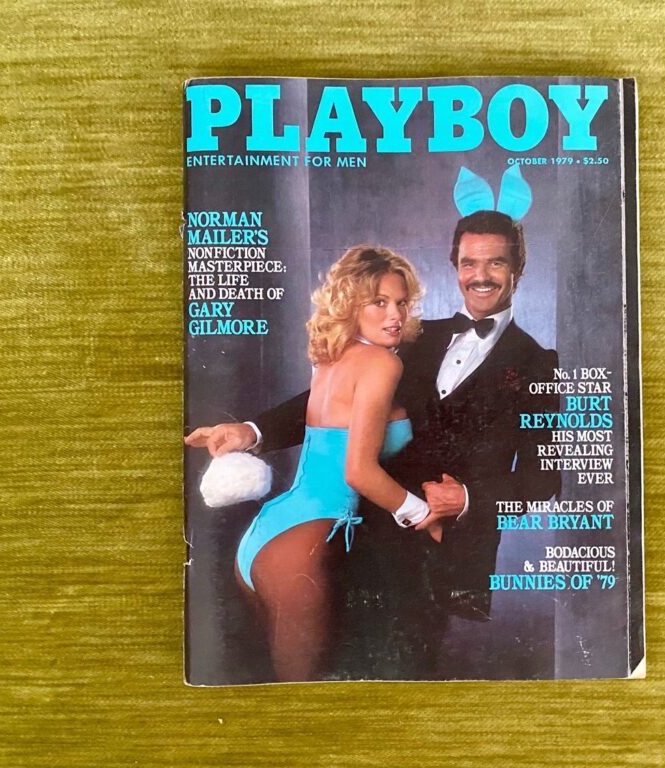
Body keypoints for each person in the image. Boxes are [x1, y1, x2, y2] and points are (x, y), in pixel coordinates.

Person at [248, 211, 561, 678]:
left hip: (440, 554)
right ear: (455, 265)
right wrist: (253, 431)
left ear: (519, 267)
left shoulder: (539, 363)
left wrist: (468, 498)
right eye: (469, 263)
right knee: (337, 667)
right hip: (360, 536)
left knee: (405, 676)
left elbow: (544, 478)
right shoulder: (408, 335)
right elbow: (333, 401)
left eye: (496, 263)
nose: (480, 275)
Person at [184, 246, 436, 682]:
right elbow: (359, 471)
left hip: (270, 530)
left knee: (279, 687)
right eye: (378, 302)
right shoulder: (382, 362)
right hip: (305, 542)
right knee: (298, 697)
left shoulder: (333, 359)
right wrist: (422, 513)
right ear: (349, 304)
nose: (395, 314)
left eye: (401, 302)